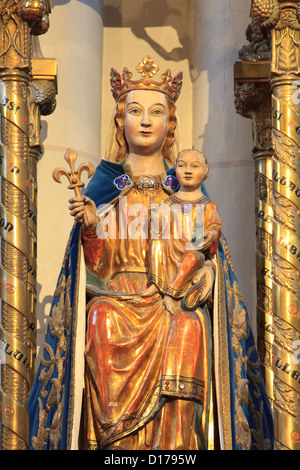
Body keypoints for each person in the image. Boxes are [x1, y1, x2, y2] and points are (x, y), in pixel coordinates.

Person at [28, 56, 274, 451]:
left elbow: (210, 252)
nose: (145, 121)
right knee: (100, 319)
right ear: (120, 121)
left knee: (191, 328)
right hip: (118, 299)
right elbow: (92, 269)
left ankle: (178, 449)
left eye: (156, 112)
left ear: (170, 123)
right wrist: (91, 227)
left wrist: (208, 276)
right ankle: (113, 449)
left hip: (171, 303)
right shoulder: (108, 185)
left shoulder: (186, 188)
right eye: (135, 111)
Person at [141, 148, 222, 316]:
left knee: (193, 257)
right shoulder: (168, 202)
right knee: (156, 242)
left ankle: (170, 294)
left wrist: (211, 235)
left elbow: (215, 226)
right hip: (170, 249)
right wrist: (154, 218)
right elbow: (157, 229)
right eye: (181, 165)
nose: (188, 170)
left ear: (205, 171)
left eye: (195, 166)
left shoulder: (207, 205)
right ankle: (156, 284)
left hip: (192, 251)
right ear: (175, 170)